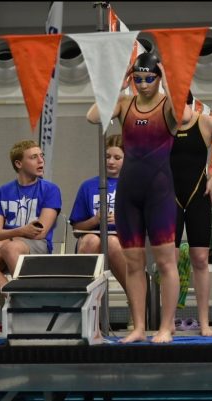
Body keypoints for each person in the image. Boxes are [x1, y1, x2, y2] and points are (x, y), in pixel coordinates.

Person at [86, 52, 191, 343]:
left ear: (158, 78)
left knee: (166, 262)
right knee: (134, 263)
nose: (143, 84)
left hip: (160, 194)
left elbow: (185, 116)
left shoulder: (168, 105)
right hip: (128, 195)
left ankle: (167, 327)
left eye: (149, 78)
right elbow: (92, 116)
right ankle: (139, 327)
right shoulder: (123, 104)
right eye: (138, 79)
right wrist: (118, 86)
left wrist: (168, 79)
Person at [170, 92, 212, 336]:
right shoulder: (163, 123)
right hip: (169, 197)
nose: (176, 116)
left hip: (198, 195)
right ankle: (168, 321)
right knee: (170, 260)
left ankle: (205, 322)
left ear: (190, 104)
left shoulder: (207, 123)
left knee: (200, 259)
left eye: (180, 109)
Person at [0, 140, 62, 292]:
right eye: (33, 157)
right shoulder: (0, 192)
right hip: (10, 244)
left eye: (41, 156)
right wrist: (21, 232)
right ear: (18, 164)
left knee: (6, 248)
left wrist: (2, 242)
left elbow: (39, 232)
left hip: (38, 245)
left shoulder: (51, 189)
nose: (41, 160)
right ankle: (12, 299)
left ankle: (29, 296)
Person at [69, 134, 129, 320]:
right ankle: (87, 304)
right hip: (93, 237)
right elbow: (77, 228)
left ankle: (136, 299)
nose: (111, 162)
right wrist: (96, 220)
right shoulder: (88, 186)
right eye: (107, 156)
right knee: (90, 240)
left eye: (117, 158)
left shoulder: (135, 185)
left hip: (124, 241)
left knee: (111, 242)